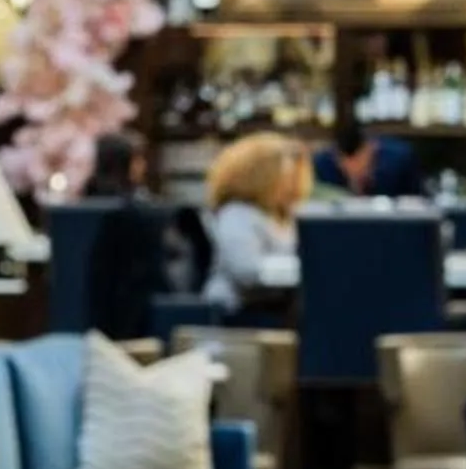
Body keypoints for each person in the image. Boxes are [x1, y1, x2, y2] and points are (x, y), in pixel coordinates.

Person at [79, 131, 208, 336]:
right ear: (127, 163)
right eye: (139, 159)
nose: (143, 166)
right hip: (132, 311)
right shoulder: (137, 213)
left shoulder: (82, 200)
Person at [205, 133, 304, 313]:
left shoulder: (281, 215)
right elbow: (246, 271)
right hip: (237, 317)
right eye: (285, 177)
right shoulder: (236, 214)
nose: (290, 185)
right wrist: (304, 267)